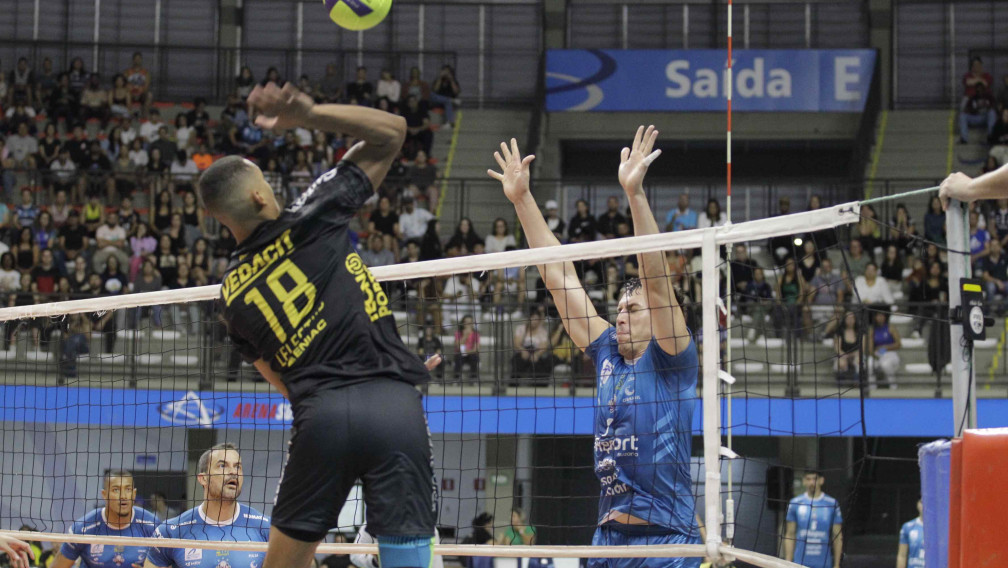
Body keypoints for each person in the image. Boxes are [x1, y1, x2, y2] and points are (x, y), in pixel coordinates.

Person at [197, 82, 437, 568]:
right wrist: (309, 112)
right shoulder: (312, 214)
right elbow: (393, 132)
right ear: (263, 197)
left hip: (321, 418)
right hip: (394, 404)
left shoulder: (232, 299)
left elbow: (283, 383)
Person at [488, 127, 700, 567]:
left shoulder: (672, 359)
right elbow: (558, 277)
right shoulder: (606, 351)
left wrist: (635, 194)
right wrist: (521, 200)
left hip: (665, 542)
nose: (621, 315)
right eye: (619, 308)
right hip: (605, 539)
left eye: (633, 309)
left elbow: (657, 286)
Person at [143, 444, 270, 568]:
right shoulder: (171, 530)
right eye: (222, 465)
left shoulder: (264, 528)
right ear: (203, 479)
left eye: (238, 467)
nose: (233, 472)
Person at [50, 470, 159, 568]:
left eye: (128, 489)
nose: (123, 496)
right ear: (104, 494)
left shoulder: (152, 525)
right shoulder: (83, 528)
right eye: (116, 490)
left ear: (134, 494)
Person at [783, 470, 843, 568]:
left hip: (824, 563)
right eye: (808, 479)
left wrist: (837, 565)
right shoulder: (795, 503)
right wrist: (787, 562)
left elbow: (837, 536)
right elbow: (790, 534)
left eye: (814, 479)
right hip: (799, 563)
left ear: (821, 480)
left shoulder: (832, 503)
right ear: (804, 481)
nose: (811, 482)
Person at [351, 524, 443, 568]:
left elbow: (437, 564)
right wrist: (373, 561)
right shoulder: (371, 522)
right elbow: (354, 555)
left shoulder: (428, 528)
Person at [896, 499, 924, 568]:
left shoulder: (940, 528)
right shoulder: (908, 527)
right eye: (922, 502)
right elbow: (902, 555)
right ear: (917, 504)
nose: (924, 505)